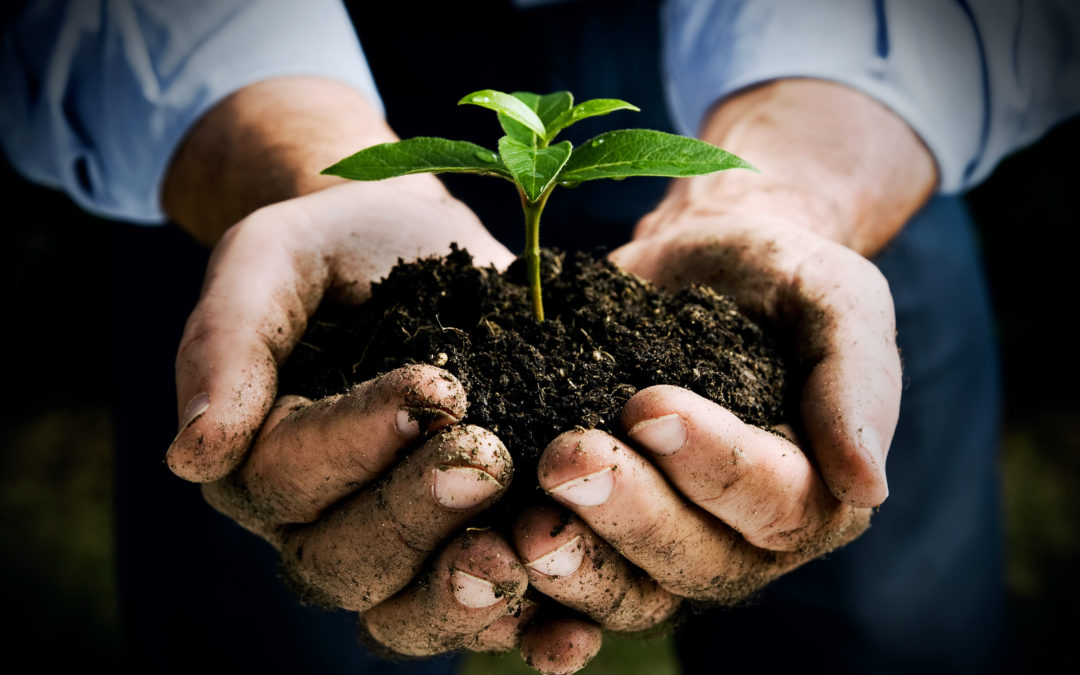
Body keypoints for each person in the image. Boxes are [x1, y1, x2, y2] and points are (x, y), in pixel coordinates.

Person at [3, 0, 1078, 673]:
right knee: (280, 618)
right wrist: (291, 166)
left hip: (830, 113)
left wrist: (787, 198)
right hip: (281, 91)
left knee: (878, 627)